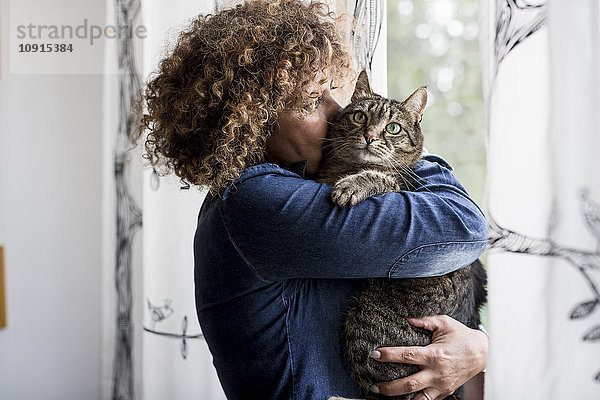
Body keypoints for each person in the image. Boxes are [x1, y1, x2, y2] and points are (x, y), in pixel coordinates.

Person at [134, 1, 488, 399]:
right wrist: (407, 155)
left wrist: (477, 347)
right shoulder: (254, 203)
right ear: (254, 121)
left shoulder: (291, 189)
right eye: (312, 101)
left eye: (333, 90)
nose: (339, 112)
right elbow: (465, 227)